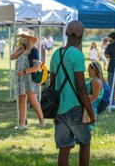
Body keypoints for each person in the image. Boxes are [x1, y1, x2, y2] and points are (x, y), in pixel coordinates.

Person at [49, 20, 95, 166]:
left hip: (59, 109)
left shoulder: (56, 54)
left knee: (64, 147)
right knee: (85, 142)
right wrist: (91, 112)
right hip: (75, 108)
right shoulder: (78, 55)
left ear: (67, 34)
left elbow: (52, 83)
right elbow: (81, 87)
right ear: (80, 38)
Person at [10, 28, 45, 129]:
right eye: (21, 36)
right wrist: (21, 49)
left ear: (29, 38)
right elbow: (12, 57)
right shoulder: (20, 49)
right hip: (21, 79)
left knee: (32, 99)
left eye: (24, 36)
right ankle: (22, 124)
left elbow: (37, 67)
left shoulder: (33, 50)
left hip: (29, 78)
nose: (21, 38)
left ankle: (42, 119)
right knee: (21, 99)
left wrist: (24, 72)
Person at [86, 61, 104, 131]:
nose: (88, 72)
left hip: (90, 110)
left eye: (89, 70)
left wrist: (84, 105)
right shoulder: (96, 80)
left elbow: (94, 96)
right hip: (90, 109)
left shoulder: (96, 81)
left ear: (93, 70)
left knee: (85, 133)